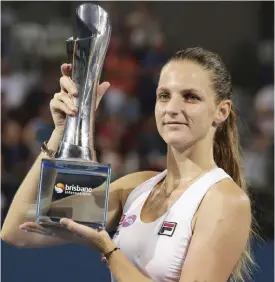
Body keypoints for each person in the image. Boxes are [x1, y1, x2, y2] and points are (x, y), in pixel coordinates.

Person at [1, 47, 254, 282]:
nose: (172, 108)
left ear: (221, 111)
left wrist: (109, 250)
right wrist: (62, 132)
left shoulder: (225, 200)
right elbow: (15, 230)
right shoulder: (138, 187)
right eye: (164, 95)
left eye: (190, 97)